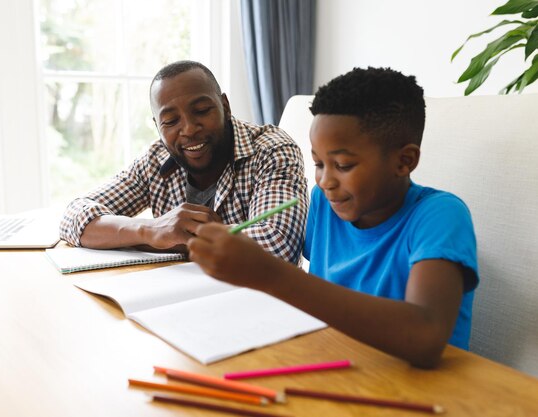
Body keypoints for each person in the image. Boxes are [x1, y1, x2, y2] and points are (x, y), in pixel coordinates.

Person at [188, 67, 479, 368]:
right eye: (318, 163)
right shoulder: (325, 203)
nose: (325, 181)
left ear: (404, 161)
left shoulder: (441, 216)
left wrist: (270, 274)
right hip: (337, 367)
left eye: (342, 165)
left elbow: (425, 337)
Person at [59, 60, 308, 263]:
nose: (188, 129)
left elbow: (277, 245)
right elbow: (75, 217)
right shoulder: (156, 160)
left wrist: (174, 240)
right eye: (170, 121)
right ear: (157, 126)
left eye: (201, 110)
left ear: (225, 106)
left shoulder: (271, 149)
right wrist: (152, 231)